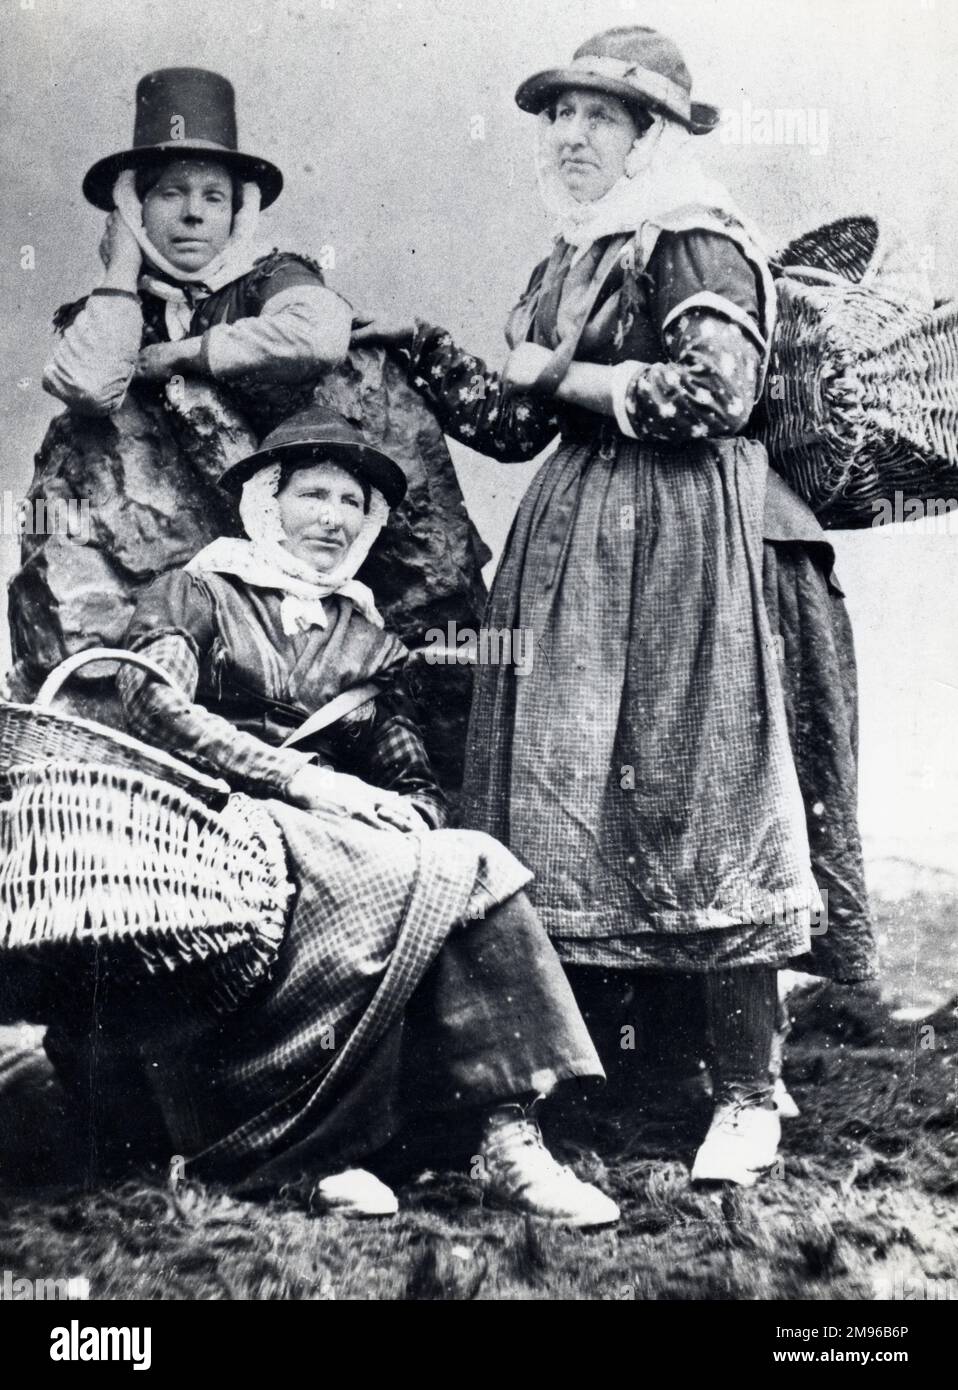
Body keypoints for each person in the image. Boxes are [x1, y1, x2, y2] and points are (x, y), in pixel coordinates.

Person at [354, 25, 876, 1186]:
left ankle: (749, 1091)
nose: (572, 134)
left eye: (601, 117)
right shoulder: (569, 257)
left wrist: (565, 376)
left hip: (686, 542)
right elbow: (516, 426)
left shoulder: (696, 236)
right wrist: (428, 358)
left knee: (704, 791)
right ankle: (563, 1088)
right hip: (572, 552)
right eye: (559, 115)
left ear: (652, 137)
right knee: (551, 793)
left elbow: (718, 393)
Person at [111, 402, 619, 1227]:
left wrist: (412, 811)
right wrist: (302, 782)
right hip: (209, 820)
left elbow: (400, 758)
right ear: (268, 502)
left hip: (330, 833)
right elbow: (151, 702)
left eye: (354, 504)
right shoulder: (198, 591)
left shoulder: (363, 631)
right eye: (315, 495)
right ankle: (307, 1151)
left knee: (469, 859)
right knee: (361, 870)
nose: (334, 519)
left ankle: (508, 1135)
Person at [43, 67, 351, 430]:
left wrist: (181, 355)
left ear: (236, 212)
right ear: (135, 207)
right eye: (171, 193)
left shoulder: (269, 278)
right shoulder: (112, 308)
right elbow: (89, 388)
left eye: (214, 197)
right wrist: (122, 268)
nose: (193, 215)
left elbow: (323, 337)